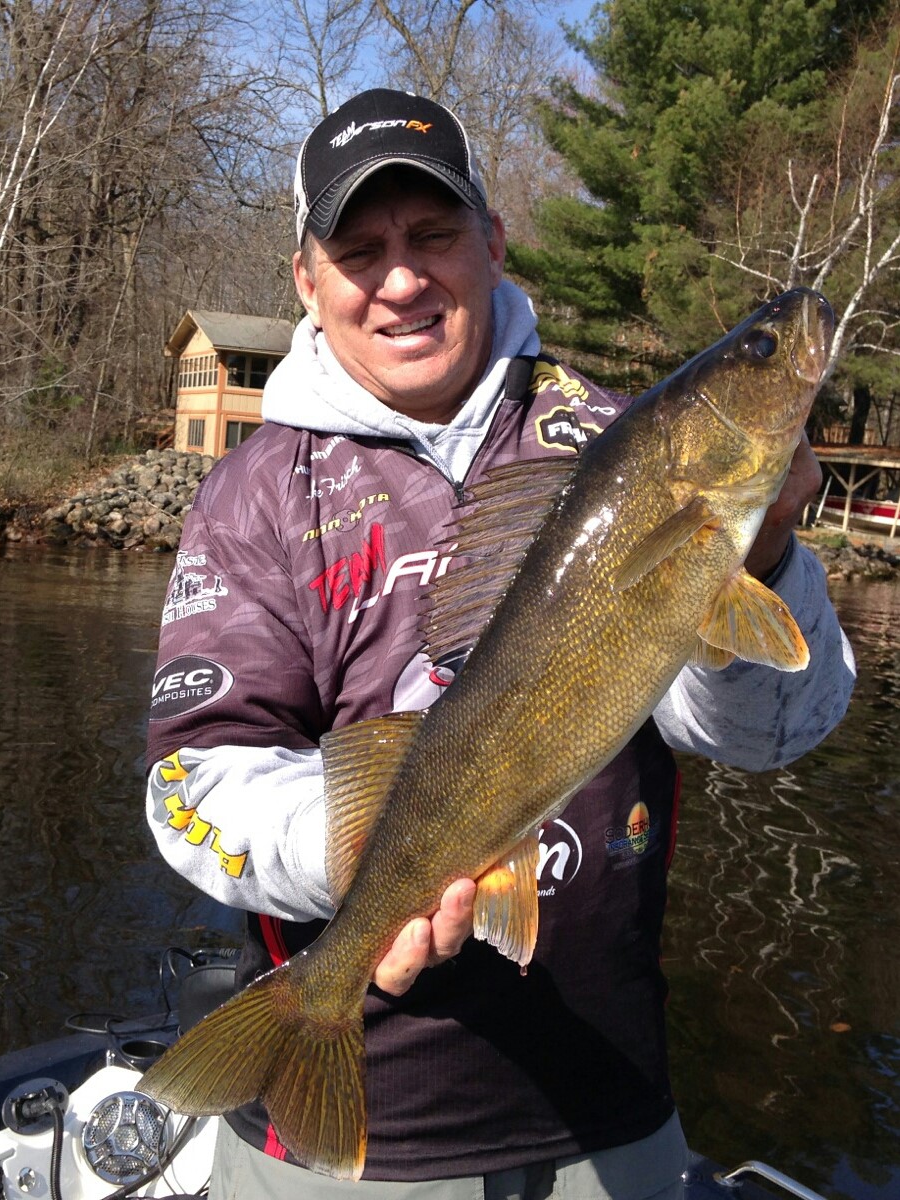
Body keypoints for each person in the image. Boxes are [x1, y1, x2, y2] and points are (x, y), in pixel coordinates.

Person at [145, 88, 856, 1200]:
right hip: (348, 1140)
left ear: (492, 242)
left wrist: (763, 561)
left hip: (607, 1112)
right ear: (305, 279)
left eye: (432, 235)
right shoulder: (251, 497)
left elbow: (763, 741)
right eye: (358, 249)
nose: (399, 279)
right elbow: (188, 781)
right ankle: (306, 1027)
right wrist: (351, 855)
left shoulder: (615, 444)